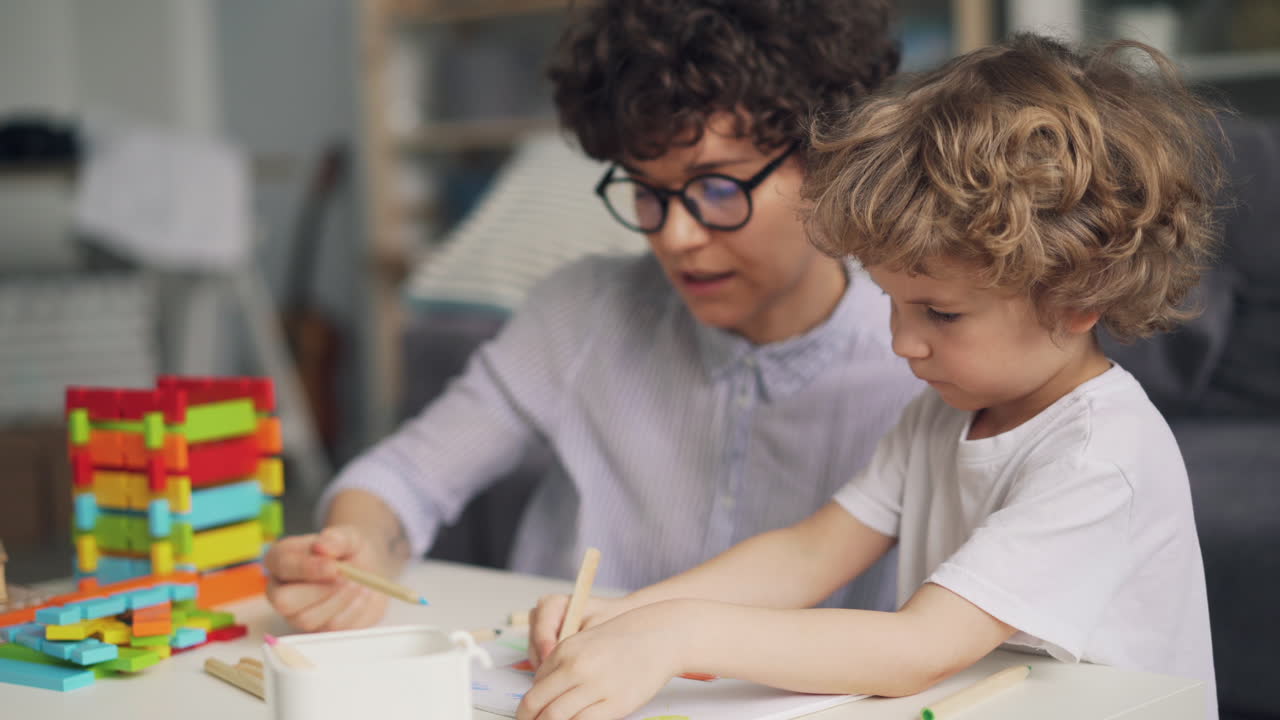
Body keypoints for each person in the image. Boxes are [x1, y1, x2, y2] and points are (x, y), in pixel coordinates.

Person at [519, 34, 1223, 720]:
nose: (901, 343)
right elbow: (810, 552)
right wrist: (624, 615)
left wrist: (674, 637)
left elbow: (919, 646)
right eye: (889, 300)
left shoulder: (1102, 457)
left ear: (1077, 299)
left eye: (941, 314)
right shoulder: (946, 412)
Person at [264, 0, 920, 633]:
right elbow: (404, 477)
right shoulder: (582, 313)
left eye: (717, 188)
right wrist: (355, 548)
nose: (676, 237)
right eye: (647, 190)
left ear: (829, 161)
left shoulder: (921, 356)